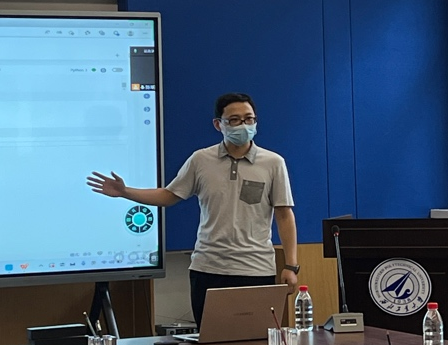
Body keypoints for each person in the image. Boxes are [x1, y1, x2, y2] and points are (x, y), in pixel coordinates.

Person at [87, 92, 298, 328]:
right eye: (234, 120)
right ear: (218, 124)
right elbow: (169, 195)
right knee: (210, 339)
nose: (243, 125)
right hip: (208, 269)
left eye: (249, 119)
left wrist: (291, 265)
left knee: (256, 339)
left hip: (256, 269)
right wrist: (126, 192)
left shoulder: (273, 163)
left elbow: (284, 215)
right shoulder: (201, 160)